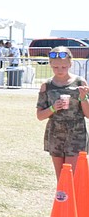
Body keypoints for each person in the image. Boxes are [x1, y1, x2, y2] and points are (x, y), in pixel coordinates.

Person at [35, 46, 89, 180]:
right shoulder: (46, 85)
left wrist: (83, 97)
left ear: (70, 64)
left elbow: (88, 114)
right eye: (56, 67)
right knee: (61, 177)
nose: (60, 70)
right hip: (55, 133)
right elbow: (40, 116)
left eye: (64, 67)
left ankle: (74, 201)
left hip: (76, 133)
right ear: (50, 65)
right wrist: (53, 108)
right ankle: (62, 201)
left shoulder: (80, 82)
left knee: (71, 175)